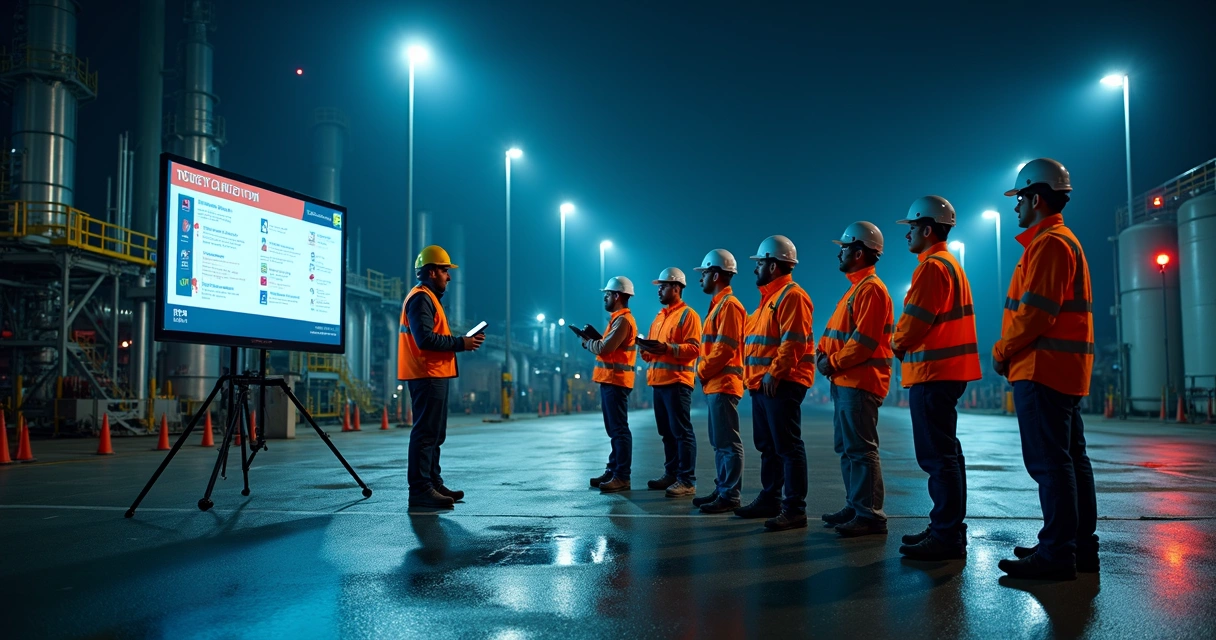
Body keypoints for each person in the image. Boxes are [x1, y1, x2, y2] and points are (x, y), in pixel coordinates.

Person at [993, 158, 1098, 581]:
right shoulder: (1059, 240)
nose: (1015, 206)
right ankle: (1076, 546)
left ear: (1036, 199)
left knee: (1051, 464)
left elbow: (1036, 313)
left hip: (1042, 368)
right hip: (1062, 368)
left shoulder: (1049, 243)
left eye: (1019, 198)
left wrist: (1002, 349)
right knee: (1070, 460)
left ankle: (1057, 552)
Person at [892, 196, 981, 560]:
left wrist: (896, 341)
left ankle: (946, 535)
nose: (907, 235)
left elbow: (915, 320)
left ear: (928, 230)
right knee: (948, 454)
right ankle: (947, 527)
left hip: (932, 373)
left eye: (912, 228)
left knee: (937, 457)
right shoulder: (951, 265)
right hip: (947, 372)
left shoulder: (931, 267)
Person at [817, 221, 895, 538]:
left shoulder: (871, 290)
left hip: (860, 382)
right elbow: (834, 335)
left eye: (845, 248)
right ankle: (856, 505)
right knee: (849, 449)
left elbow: (863, 342)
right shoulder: (855, 289)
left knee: (861, 450)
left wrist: (831, 362)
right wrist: (822, 354)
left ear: (859, 252)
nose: (840, 254)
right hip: (845, 381)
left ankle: (869, 514)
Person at [735, 235, 816, 531]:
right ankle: (770, 499)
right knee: (768, 446)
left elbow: (793, 341)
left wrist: (775, 372)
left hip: (782, 382)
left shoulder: (791, 295)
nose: (755, 268)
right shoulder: (767, 302)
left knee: (788, 446)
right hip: (762, 385)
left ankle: (794, 508)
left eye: (759, 263)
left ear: (772, 265)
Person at [399, 245, 484, 509]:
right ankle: (420, 490)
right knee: (426, 433)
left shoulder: (429, 298)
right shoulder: (421, 298)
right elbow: (424, 339)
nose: (449, 276)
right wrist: (460, 343)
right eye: (445, 270)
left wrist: (461, 342)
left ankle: (433, 483)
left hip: (434, 373)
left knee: (435, 434)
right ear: (432, 271)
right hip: (426, 373)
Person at [691, 249, 748, 514]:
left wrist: (701, 370)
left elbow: (724, 348)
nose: (700, 278)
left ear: (715, 275)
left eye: (703, 273)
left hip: (724, 383)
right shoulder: (718, 306)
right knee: (719, 443)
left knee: (727, 443)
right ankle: (723, 488)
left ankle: (730, 494)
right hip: (716, 384)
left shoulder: (729, 306)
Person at [639, 267, 703, 498]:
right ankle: (672, 474)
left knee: (681, 432)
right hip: (659, 382)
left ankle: (686, 480)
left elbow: (694, 349)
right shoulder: (659, 318)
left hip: (677, 382)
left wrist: (666, 348)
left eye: (663, 286)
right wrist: (645, 350)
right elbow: (652, 351)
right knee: (666, 432)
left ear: (676, 288)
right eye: (659, 287)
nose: (659, 290)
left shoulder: (688, 315)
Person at [583, 276, 639, 494]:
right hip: (610, 380)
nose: (604, 298)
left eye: (607, 294)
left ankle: (622, 476)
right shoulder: (617, 320)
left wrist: (588, 343)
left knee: (619, 430)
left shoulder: (623, 321)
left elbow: (604, 348)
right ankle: (613, 469)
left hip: (617, 381)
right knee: (614, 429)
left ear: (617, 296)